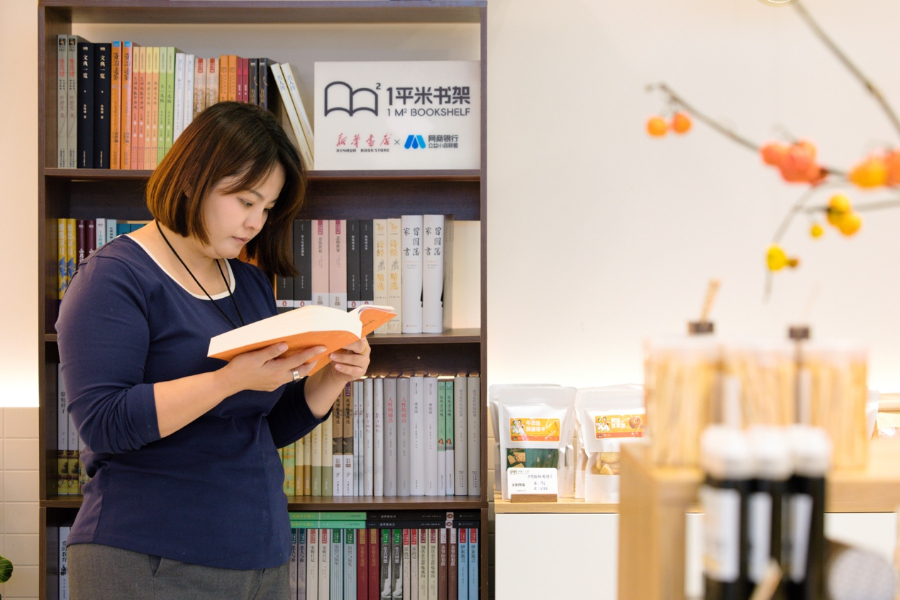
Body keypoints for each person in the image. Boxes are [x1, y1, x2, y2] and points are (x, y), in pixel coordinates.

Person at [57, 101, 369, 600]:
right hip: (147, 555)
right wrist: (229, 379)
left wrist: (333, 374)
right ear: (193, 179)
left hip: (258, 555)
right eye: (246, 201)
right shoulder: (114, 278)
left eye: (267, 208)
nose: (255, 222)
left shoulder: (249, 282)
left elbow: (261, 427)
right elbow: (105, 422)